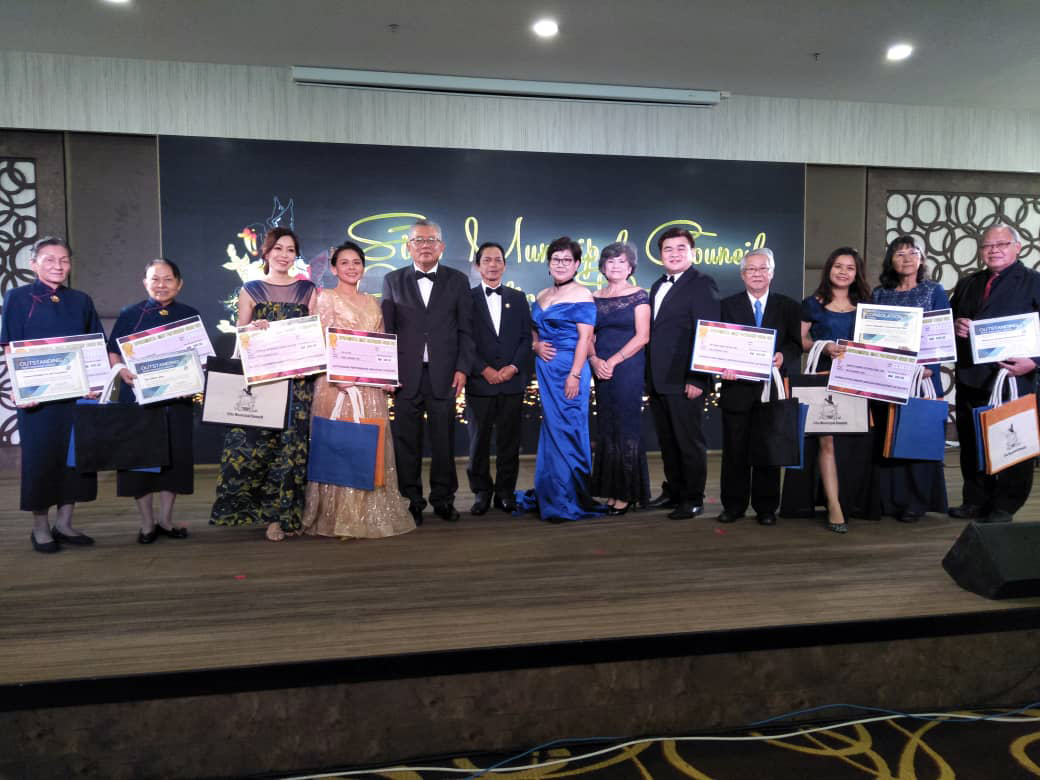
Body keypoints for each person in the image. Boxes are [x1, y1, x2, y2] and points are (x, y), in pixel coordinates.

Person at [302, 242, 416, 539]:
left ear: (363, 268)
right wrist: (337, 376)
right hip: (335, 387)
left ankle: (366, 514)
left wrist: (386, 378)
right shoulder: (323, 298)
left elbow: (379, 346)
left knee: (369, 444)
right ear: (333, 268)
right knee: (339, 445)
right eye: (345, 263)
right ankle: (338, 516)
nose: (351, 267)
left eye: (356, 262)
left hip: (368, 388)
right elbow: (317, 342)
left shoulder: (373, 302)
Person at [211, 227, 318, 541]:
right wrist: (252, 333)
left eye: (290, 250)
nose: (284, 255)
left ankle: (285, 519)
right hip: (263, 380)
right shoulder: (251, 289)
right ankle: (262, 513)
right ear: (267, 252)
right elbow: (239, 341)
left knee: (292, 450)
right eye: (279, 249)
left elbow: (316, 336)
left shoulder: (308, 290)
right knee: (259, 448)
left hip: (298, 382)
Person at [1, 237, 103, 553]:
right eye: (49, 259)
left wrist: (96, 385)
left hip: (77, 395)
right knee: (41, 460)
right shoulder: (17, 298)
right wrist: (21, 391)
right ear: (33, 264)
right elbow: (9, 347)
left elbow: (94, 345)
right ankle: (40, 527)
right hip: (38, 399)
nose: (58, 266)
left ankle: (65, 523)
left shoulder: (82, 300)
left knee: (75, 459)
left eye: (64, 260)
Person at [381, 219, 474, 525]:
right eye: (418, 240)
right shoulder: (392, 280)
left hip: (445, 373)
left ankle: (444, 499)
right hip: (405, 375)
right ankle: (412, 502)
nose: (424, 245)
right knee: (407, 443)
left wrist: (462, 368)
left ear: (442, 246)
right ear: (408, 246)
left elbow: (466, 331)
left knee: (444, 441)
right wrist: (388, 373)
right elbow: (388, 332)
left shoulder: (458, 280)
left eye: (431, 240)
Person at [782, 246, 877, 533]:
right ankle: (834, 505)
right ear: (829, 269)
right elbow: (799, 340)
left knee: (852, 445)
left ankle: (851, 501)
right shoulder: (813, 303)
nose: (843, 271)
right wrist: (825, 346)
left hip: (858, 382)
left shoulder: (867, 305)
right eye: (838, 266)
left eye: (849, 267)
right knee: (828, 442)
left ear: (856, 272)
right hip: (823, 381)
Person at [950, 223, 1040, 524]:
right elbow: (949, 322)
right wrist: (956, 325)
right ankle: (975, 500)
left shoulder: (1033, 282)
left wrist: (1035, 362)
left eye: (1001, 244)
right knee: (972, 441)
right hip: (971, 377)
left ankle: (1005, 505)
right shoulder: (968, 283)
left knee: (1014, 440)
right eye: (988, 245)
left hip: (1014, 378)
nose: (994, 250)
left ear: (1018, 247)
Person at [107, 258, 199, 543]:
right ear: (145, 282)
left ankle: (166, 520)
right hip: (138, 401)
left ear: (179, 283)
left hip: (177, 402)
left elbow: (199, 356)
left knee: (173, 461)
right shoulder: (129, 314)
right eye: (155, 279)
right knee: (140, 462)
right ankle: (146, 523)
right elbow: (113, 353)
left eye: (168, 279)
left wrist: (193, 380)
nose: (162, 285)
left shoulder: (189, 314)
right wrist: (121, 370)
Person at [716, 248, 802, 526]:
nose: (757, 274)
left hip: (771, 391)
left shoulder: (788, 306)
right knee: (734, 452)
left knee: (768, 449)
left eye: (762, 268)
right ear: (742, 275)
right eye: (751, 269)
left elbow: (795, 345)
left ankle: (766, 508)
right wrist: (722, 366)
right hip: (736, 390)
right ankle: (733, 506)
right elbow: (717, 345)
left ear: (772, 273)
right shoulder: (726, 305)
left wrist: (783, 357)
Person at [871, 235, 949, 522]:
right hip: (887, 375)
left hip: (922, 375)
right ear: (891, 260)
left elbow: (941, 332)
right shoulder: (880, 293)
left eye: (912, 252)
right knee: (889, 434)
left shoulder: (934, 290)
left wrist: (930, 366)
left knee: (917, 435)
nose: (906, 258)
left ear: (921, 258)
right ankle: (890, 500)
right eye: (899, 253)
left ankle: (916, 502)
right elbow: (872, 335)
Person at [645, 227, 720, 519]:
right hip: (658, 379)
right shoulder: (656, 285)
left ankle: (693, 497)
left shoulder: (702, 283)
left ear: (692, 253)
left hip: (685, 379)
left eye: (680, 248)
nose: (674, 254)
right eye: (668, 250)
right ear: (660, 255)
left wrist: (698, 377)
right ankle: (674, 490)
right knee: (667, 440)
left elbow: (708, 332)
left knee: (689, 441)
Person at [529, 236, 598, 522]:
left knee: (569, 428)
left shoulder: (583, 294)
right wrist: (535, 344)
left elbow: (586, 339)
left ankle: (570, 494)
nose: (560, 264)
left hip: (570, 370)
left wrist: (575, 374)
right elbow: (534, 330)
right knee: (552, 430)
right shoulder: (542, 294)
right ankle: (551, 491)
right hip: (546, 371)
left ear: (577, 264)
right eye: (556, 260)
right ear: (548, 264)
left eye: (566, 260)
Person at [465, 241, 532, 516]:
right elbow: (464, 340)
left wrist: (513, 367)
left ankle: (505, 493)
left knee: (508, 442)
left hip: (512, 383)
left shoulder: (518, 298)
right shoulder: (466, 298)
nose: (493, 265)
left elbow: (526, 338)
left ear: (504, 265)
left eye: (497, 260)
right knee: (478, 442)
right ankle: (481, 492)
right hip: (480, 383)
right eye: (487, 260)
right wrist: (484, 369)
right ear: (477, 266)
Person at [588, 241, 650, 515]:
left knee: (626, 427)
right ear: (602, 266)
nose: (615, 266)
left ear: (630, 267)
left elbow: (643, 336)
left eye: (621, 262)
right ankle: (611, 491)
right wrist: (594, 360)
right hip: (600, 368)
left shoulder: (639, 296)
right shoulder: (593, 296)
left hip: (627, 367)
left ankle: (626, 493)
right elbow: (587, 335)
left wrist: (612, 360)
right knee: (607, 428)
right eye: (610, 261)